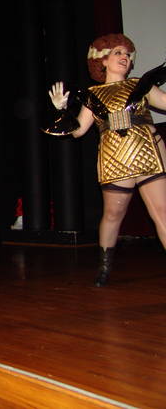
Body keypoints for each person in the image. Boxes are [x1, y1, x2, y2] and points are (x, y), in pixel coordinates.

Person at [47, 33, 166, 287]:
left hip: (147, 151)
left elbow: (165, 102)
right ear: (102, 60)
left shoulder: (140, 85)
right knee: (113, 215)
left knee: (162, 212)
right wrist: (62, 110)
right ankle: (104, 267)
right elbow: (78, 131)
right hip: (115, 157)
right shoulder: (94, 95)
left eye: (128, 54)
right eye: (118, 53)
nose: (125, 57)